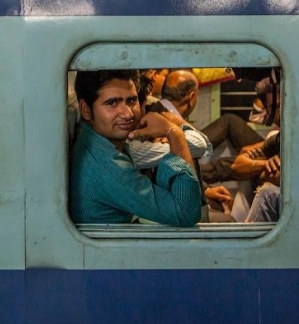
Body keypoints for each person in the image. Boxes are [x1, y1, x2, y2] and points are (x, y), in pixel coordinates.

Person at [69, 70, 202, 226]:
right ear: (86, 109)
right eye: (112, 103)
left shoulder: (97, 145)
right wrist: (174, 133)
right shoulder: (107, 166)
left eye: (131, 101)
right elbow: (185, 214)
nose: (127, 113)